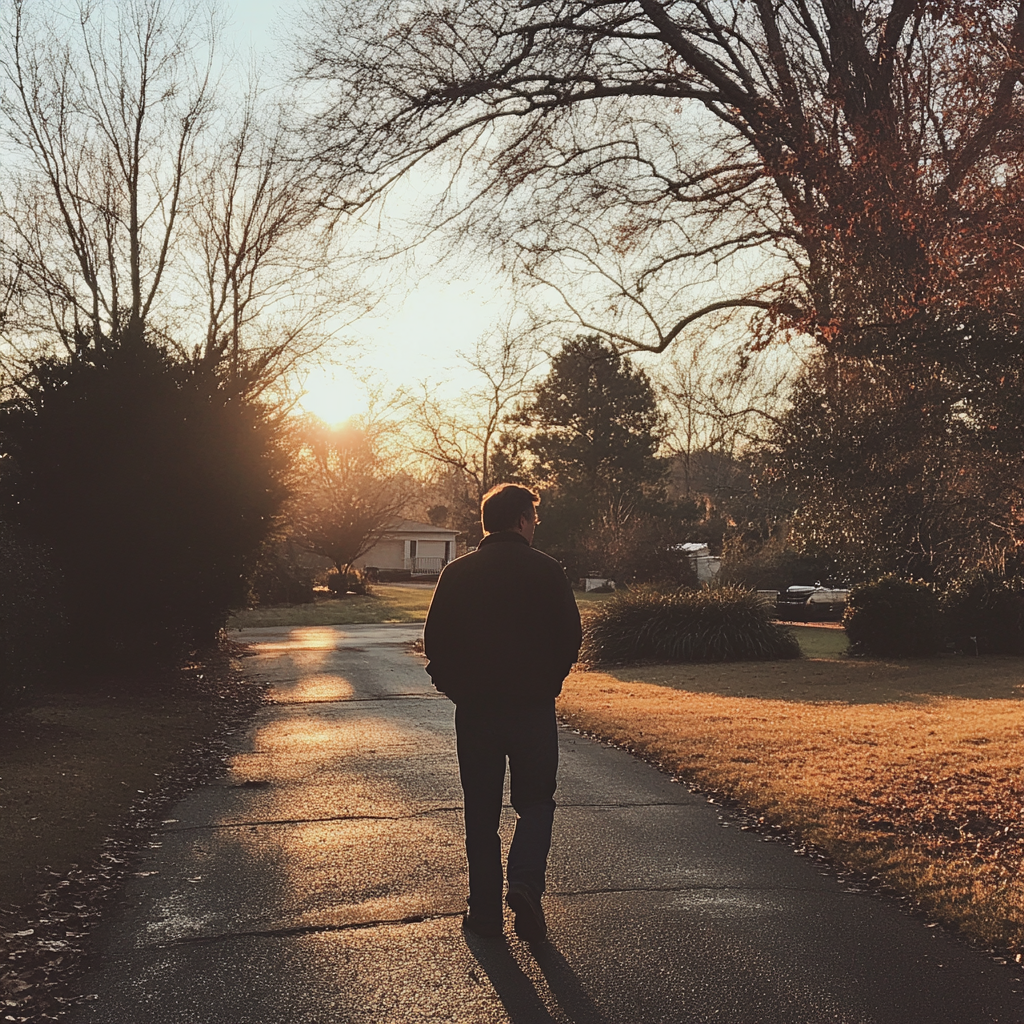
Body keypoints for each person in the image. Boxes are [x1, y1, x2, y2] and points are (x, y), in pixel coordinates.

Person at [423, 483, 582, 941]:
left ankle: (485, 912)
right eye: (533, 518)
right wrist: (548, 681)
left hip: (476, 713)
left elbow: (436, 644)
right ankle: (527, 883)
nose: (535, 526)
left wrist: (457, 690)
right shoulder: (548, 571)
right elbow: (570, 635)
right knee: (535, 803)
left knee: (481, 811)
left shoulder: (457, 574)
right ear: (521, 520)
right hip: (532, 709)